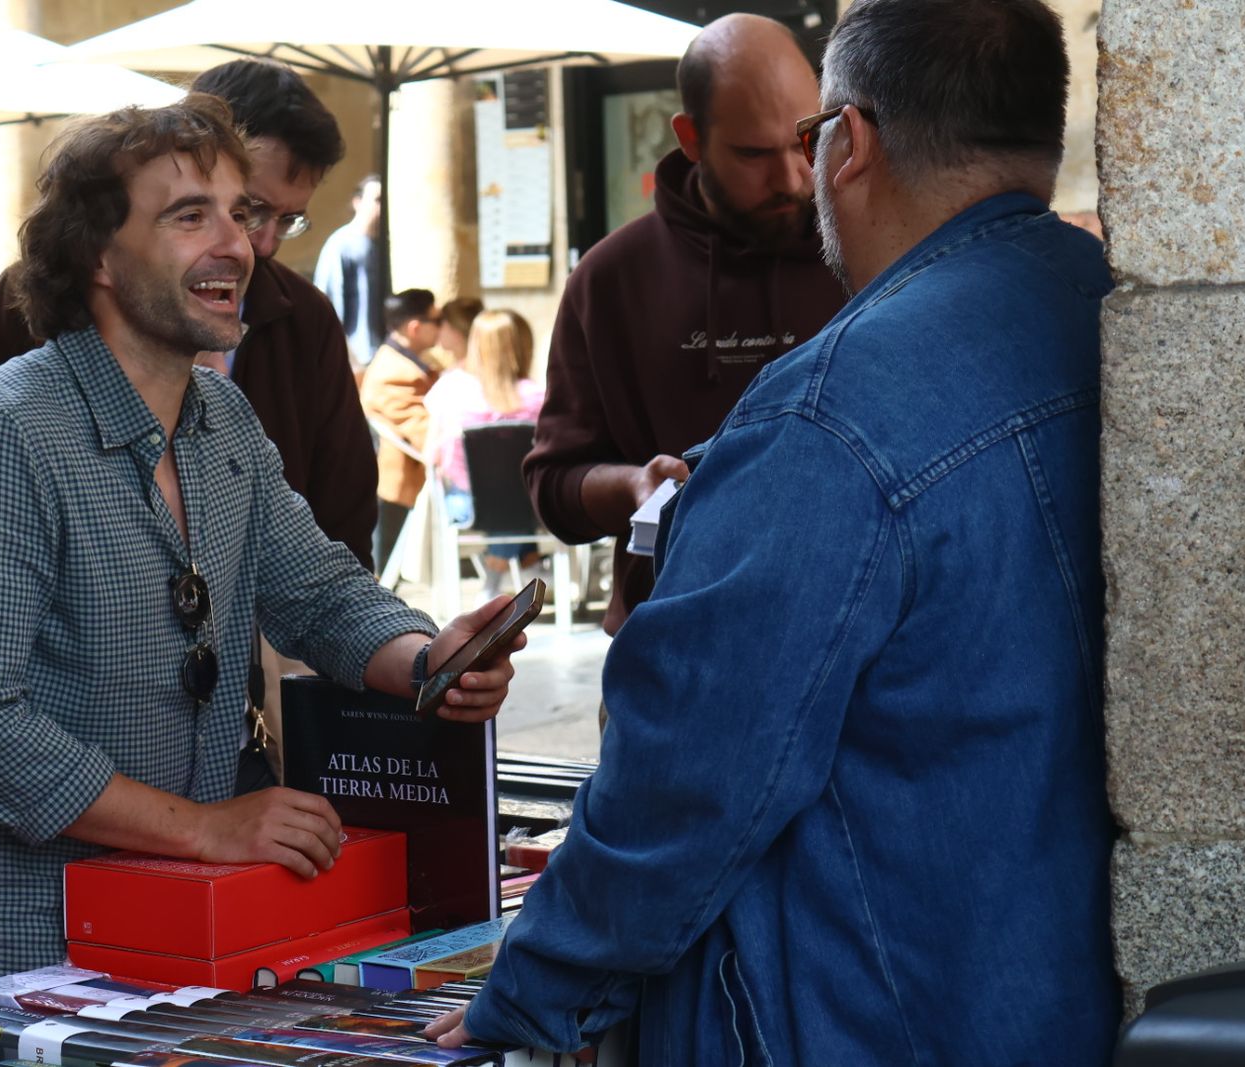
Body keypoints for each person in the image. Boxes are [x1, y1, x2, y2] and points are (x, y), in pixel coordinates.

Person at [431, 0, 1118, 1061]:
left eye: (809, 141)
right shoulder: (1112, 312)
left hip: (868, 1010)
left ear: (853, 143)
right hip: (1050, 995)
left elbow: (691, 772)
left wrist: (531, 988)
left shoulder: (828, 416)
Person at [0, 95, 522, 996]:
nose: (237, 245)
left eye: (240, 214)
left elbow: (319, 590)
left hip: (157, 946)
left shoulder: (221, 416)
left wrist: (429, 656)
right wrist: (209, 827)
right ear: (96, 254)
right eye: (187, 215)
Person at [0, 60, 376, 572]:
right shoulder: (6, 379)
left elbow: (333, 552)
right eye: (199, 215)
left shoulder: (282, 344)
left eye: (284, 220)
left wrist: (397, 646)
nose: (254, 244)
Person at [522, 13, 847, 637]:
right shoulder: (611, 277)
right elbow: (553, 484)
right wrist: (633, 485)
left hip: (847, 642)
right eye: (753, 153)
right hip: (668, 654)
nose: (790, 179)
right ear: (690, 138)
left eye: (806, 140)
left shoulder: (864, 252)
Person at [424, 308, 545, 596]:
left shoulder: (450, 390)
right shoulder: (538, 397)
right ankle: (524, 565)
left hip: (467, 505)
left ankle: (496, 575)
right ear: (523, 346)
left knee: (499, 496)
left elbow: (432, 456)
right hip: (529, 506)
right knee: (515, 495)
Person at [360, 288, 442, 575]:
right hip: (402, 488)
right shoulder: (394, 373)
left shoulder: (409, 365)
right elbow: (430, 435)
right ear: (415, 327)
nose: (442, 327)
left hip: (415, 480)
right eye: (438, 320)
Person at [313, 173, 384, 373]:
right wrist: (350, 360)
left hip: (377, 357)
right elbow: (329, 306)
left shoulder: (381, 246)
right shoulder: (341, 246)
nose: (381, 207)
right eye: (377, 200)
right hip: (354, 360)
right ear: (357, 202)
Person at [432, 296, 484, 371]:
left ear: (455, 332)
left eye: (439, 323)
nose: (436, 329)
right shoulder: (488, 368)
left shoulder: (455, 376)